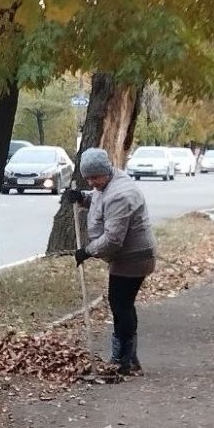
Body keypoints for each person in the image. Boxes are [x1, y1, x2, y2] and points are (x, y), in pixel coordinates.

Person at [62, 148, 156, 375]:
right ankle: (127, 358)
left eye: (95, 177)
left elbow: (113, 239)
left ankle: (125, 359)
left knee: (121, 305)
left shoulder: (121, 195)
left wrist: (87, 251)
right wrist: (82, 197)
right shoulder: (110, 183)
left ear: (105, 171)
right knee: (122, 305)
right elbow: (100, 197)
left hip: (133, 258)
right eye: (88, 178)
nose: (92, 182)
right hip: (128, 257)